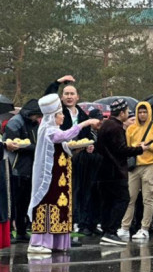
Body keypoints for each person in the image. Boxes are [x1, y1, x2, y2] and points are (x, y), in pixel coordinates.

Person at [27, 94, 100, 254]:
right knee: (49, 205)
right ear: (53, 116)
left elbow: (64, 145)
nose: (62, 116)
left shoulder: (53, 130)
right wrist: (86, 123)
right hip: (50, 179)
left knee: (61, 207)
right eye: (60, 114)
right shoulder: (47, 130)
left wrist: (81, 147)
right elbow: (64, 136)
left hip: (60, 178)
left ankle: (57, 242)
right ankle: (39, 243)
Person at [97, 99, 148, 246]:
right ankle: (111, 231)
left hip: (104, 170)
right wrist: (140, 149)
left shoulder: (106, 124)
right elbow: (121, 150)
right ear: (122, 113)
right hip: (114, 171)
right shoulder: (116, 128)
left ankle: (107, 230)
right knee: (123, 199)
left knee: (108, 201)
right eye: (126, 111)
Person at [120, 102, 153, 241]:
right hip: (134, 167)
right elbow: (127, 147)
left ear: (149, 112)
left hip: (150, 165)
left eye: (144, 112)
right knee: (130, 198)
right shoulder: (131, 128)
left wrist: (149, 147)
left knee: (148, 198)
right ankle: (124, 227)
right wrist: (136, 147)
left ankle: (145, 228)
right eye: (139, 112)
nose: (142, 115)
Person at [2, 99, 41, 243]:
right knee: (13, 202)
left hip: (30, 168)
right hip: (15, 167)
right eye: (37, 115)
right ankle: (10, 231)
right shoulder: (15, 122)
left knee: (25, 201)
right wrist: (34, 147)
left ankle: (22, 230)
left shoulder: (34, 123)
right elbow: (13, 144)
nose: (38, 118)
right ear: (31, 113)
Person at [76, 109, 105, 236]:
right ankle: (83, 224)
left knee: (96, 197)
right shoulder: (85, 132)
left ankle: (93, 224)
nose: (100, 122)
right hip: (85, 168)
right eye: (97, 119)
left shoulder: (101, 133)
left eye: (101, 119)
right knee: (85, 197)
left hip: (98, 168)